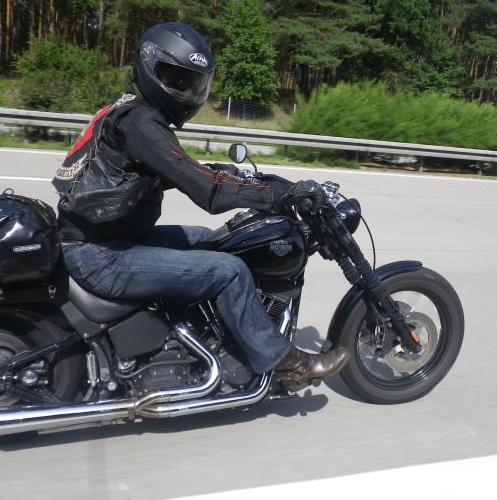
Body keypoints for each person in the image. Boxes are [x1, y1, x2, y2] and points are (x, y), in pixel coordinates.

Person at [52, 22, 349, 383]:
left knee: (207, 238)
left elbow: (173, 170)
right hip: (101, 256)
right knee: (229, 270)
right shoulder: (140, 123)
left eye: (192, 82)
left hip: (103, 240)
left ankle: (205, 332)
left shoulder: (129, 111)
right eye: (177, 79)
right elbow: (208, 192)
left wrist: (233, 175)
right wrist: (278, 195)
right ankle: (288, 363)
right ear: (150, 67)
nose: (187, 91)